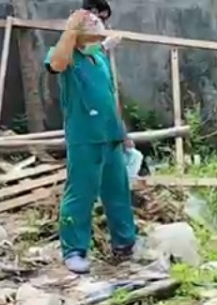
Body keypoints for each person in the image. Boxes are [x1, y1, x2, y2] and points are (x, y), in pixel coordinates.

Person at [45, 10, 135, 274]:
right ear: (77, 29)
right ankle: (74, 250)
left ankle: (125, 244)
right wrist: (71, 29)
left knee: (117, 191)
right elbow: (55, 65)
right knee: (81, 194)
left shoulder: (97, 56)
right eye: (93, 21)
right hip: (85, 137)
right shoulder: (66, 55)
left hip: (110, 134)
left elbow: (108, 94)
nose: (101, 23)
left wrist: (123, 131)